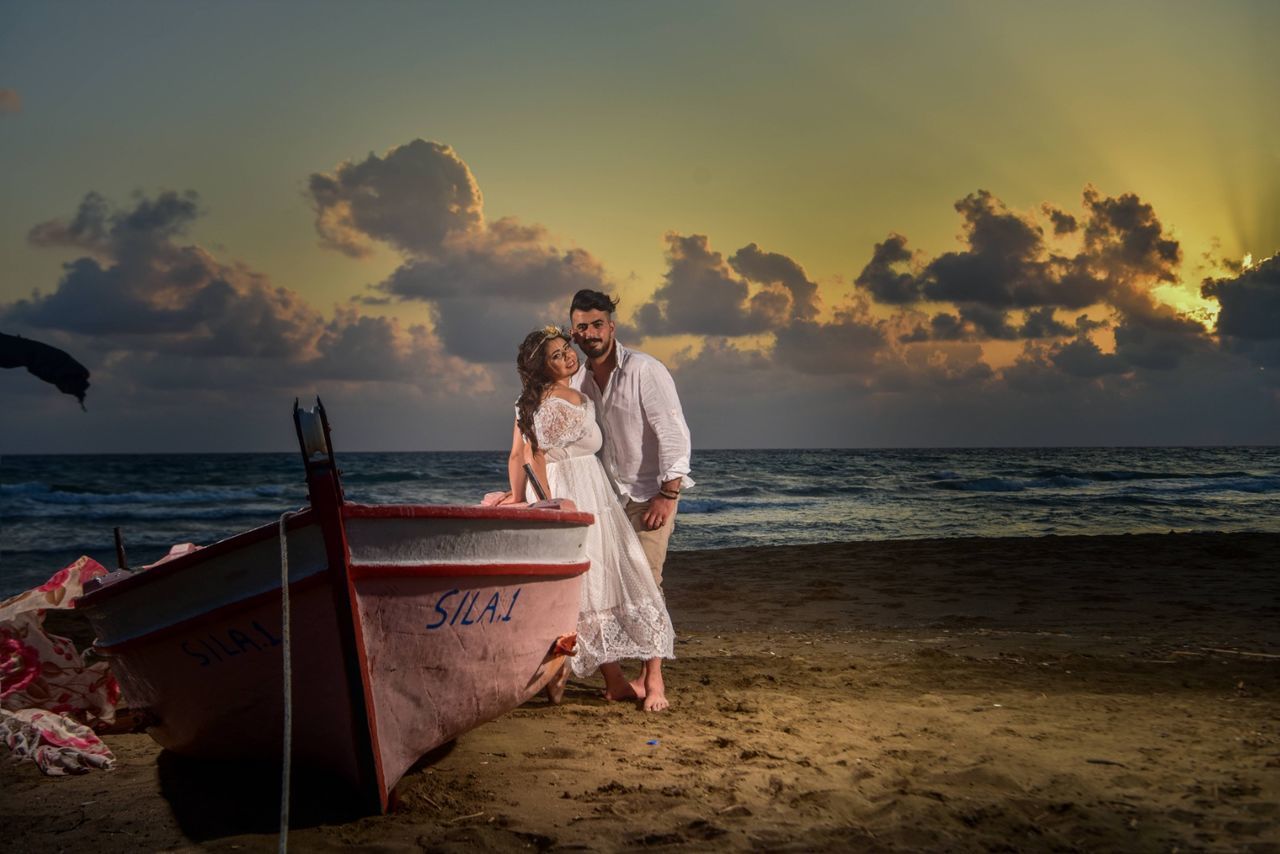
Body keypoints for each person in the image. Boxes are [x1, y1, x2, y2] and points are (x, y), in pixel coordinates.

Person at [500, 325, 675, 712]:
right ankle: (617, 681)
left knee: (621, 577)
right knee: (595, 586)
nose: (568, 357)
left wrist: (517, 496)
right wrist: (546, 504)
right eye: (556, 356)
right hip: (572, 495)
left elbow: (517, 456)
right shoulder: (546, 400)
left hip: (595, 492)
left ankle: (641, 679)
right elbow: (531, 456)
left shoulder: (546, 396)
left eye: (567, 349)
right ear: (540, 367)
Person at [568, 289, 693, 703]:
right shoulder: (577, 381)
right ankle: (620, 681)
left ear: (612, 327)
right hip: (603, 501)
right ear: (574, 332)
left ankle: (653, 678)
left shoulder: (644, 370)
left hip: (647, 495)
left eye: (597, 324)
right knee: (602, 585)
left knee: (646, 582)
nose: (590, 333)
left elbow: (673, 432)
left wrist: (668, 493)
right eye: (581, 327)